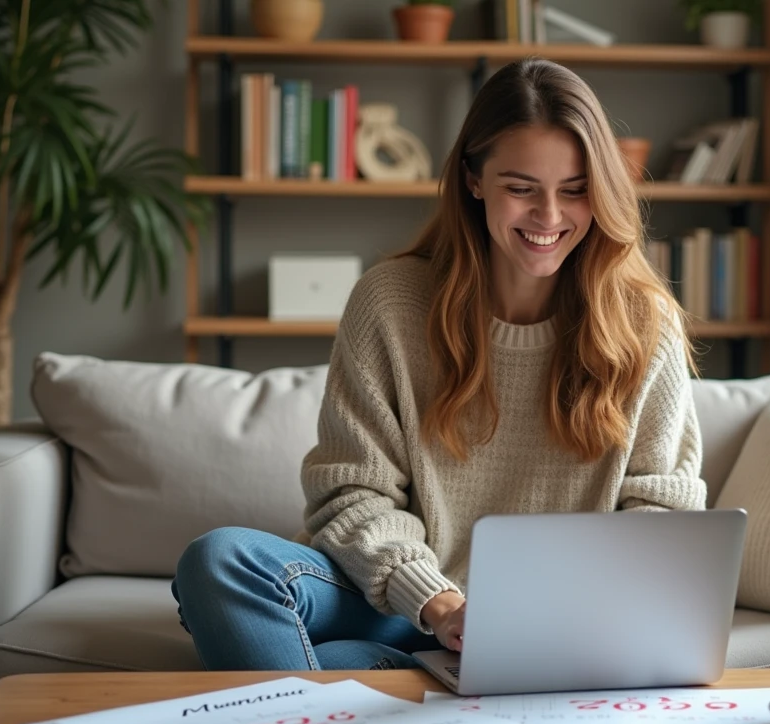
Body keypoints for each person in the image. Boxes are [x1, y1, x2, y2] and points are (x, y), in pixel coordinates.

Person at [171, 57, 708, 672]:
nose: (550, 216)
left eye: (576, 189)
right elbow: (353, 494)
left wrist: (544, 619)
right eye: (521, 187)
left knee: (346, 660)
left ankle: (362, 694)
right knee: (217, 563)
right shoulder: (390, 302)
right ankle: (400, 690)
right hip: (397, 597)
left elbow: (661, 517)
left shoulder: (645, 323)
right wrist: (441, 603)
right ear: (474, 180)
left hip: (551, 622)